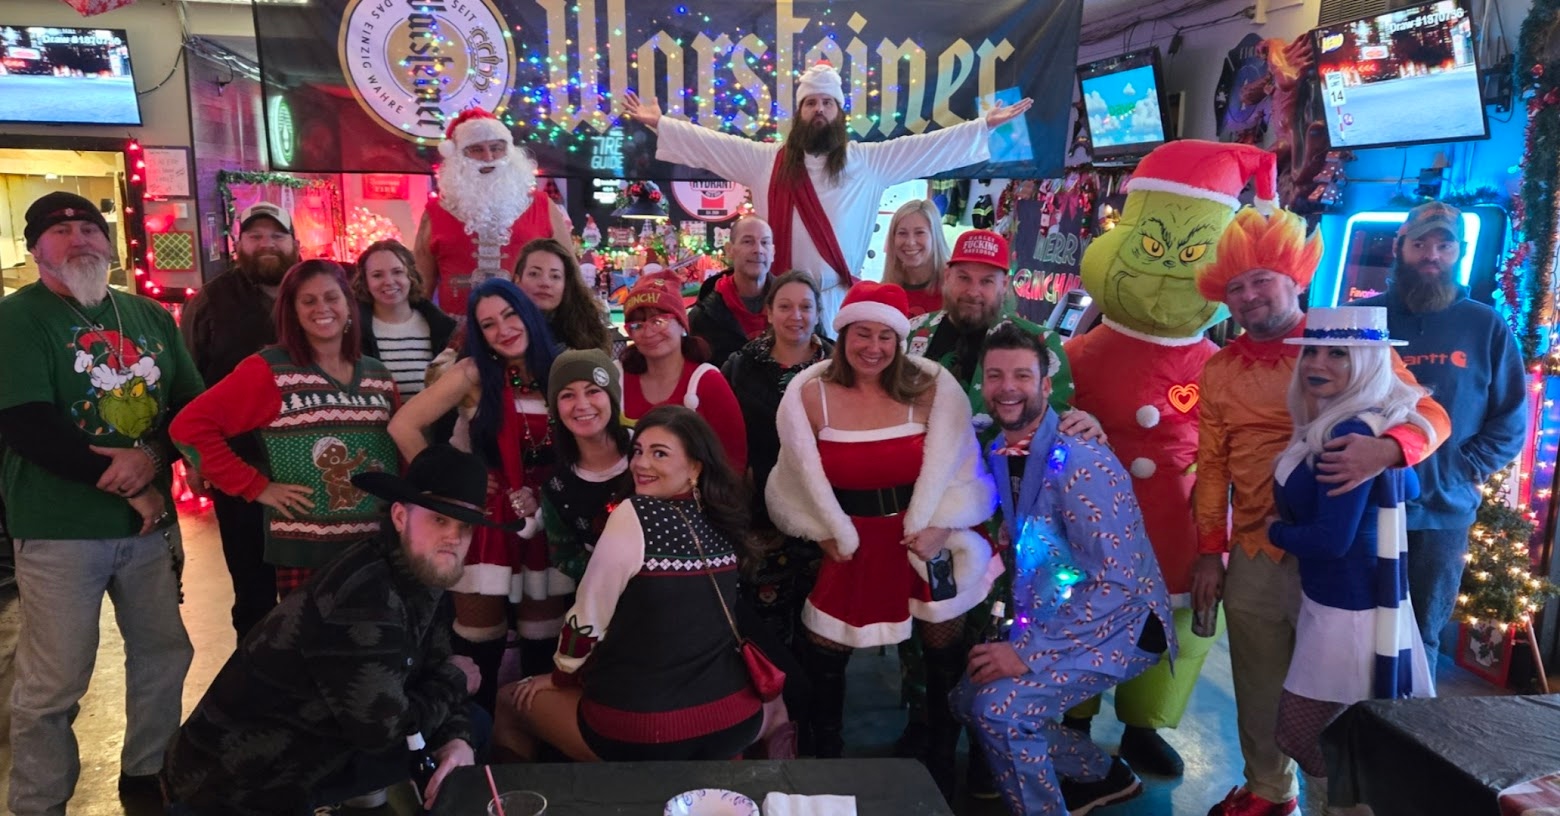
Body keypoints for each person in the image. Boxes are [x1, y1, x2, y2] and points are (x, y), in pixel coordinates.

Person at [1191, 208, 1449, 816]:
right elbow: (1212, 466)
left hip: (1341, 558)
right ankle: (1267, 789)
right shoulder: (1219, 369)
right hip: (1256, 549)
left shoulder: (1343, 343)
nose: (1249, 296)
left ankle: (1338, 803)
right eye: (1235, 286)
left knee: (1336, 694)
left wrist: (1389, 448)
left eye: (1261, 279)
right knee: (1258, 684)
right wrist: (1208, 550)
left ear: (1295, 278)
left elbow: (1429, 414)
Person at [0, 192, 203, 816]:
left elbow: (191, 410)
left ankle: (148, 776)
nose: (79, 238)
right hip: (59, 528)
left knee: (164, 655)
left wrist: (153, 457)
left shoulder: (149, 315)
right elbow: (28, 425)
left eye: (90, 227)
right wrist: (135, 480)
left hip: (148, 530)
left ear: (109, 243)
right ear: (35, 249)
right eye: (61, 230)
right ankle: (39, 802)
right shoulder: (17, 318)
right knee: (55, 679)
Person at [161, 444, 490, 816]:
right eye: (439, 520)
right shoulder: (363, 598)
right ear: (400, 517)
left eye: (465, 526)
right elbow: (387, 733)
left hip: (309, 752)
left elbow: (436, 671)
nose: (453, 538)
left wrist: (458, 740)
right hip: (230, 784)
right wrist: (456, 680)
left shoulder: (423, 575)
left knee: (472, 726)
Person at [764, 281, 997, 798]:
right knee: (825, 656)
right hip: (852, 545)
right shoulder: (809, 395)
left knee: (943, 658)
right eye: (862, 334)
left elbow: (963, 468)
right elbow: (792, 479)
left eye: (885, 336)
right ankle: (826, 764)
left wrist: (943, 527)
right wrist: (822, 531)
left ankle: (941, 760)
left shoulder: (932, 388)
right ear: (843, 334)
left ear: (900, 340)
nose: (873, 347)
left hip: (923, 544)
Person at [951, 321, 1172, 816]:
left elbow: (1116, 583)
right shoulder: (996, 446)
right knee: (966, 700)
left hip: (1124, 624)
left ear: (1046, 386)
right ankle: (1103, 774)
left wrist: (1026, 652)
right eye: (995, 375)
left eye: (1022, 376)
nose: (1007, 387)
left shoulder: (1082, 461)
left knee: (998, 710)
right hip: (1056, 612)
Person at [623, 62, 1032, 325]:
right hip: (782, 301)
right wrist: (662, 124)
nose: (819, 110)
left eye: (827, 103)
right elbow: (711, 144)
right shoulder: (764, 160)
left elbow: (927, 147)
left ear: (839, 113)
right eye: (811, 103)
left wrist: (983, 127)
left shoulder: (868, 161)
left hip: (838, 301)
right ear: (799, 113)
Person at [493, 405, 763, 762]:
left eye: (659, 453)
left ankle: (524, 794)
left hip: (647, 730)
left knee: (508, 701)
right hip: (734, 719)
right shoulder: (722, 519)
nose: (641, 463)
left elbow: (586, 620)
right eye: (638, 451)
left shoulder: (636, 513)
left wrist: (559, 677)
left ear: (695, 466)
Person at [1352, 200, 1528, 668]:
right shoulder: (1359, 319)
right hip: (1361, 505)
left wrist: (1458, 469)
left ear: (1459, 252)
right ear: (1399, 247)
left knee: (1420, 638)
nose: (1431, 254)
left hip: (1442, 514)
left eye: (1444, 245)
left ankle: (1408, 715)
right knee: (1350, 626)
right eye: (1420, 243)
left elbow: (1511, 420)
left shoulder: (1485, 325)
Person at [1267, 307, 1436, 785]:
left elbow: (1331, 540)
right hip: (1347, 602)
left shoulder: (1351, 431)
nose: (1318, 363)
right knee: (1346, 741)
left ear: (1367, 362)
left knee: (1312, 741)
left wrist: (1273, 531)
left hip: (1346, 613)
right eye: (1311, 352)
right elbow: (1409, 488)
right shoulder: (1357, 421)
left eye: (1339, 353)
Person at [170, 260, 400, 597]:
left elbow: (395, 452)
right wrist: (255, 486)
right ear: (291, 312)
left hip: (377, 547)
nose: (322, 308)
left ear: (349, 305)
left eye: (331, 298)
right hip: (306, 553)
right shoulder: (270, 371)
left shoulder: (378, 375)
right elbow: (189, 427)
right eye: (308, 301)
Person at [388, 278, 562, 710]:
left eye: (509, 315)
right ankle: (473, 736)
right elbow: (403, 425)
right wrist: (452, 479)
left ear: (527, 312)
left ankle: (532, 736)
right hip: (488, 523)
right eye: (488, 324)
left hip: (549, 517)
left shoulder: (560, 367)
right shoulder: (472, 373)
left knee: (542, 646)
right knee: (478, 646)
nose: (503, 329)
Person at [180, 200, 300, 637]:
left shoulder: (313, 290)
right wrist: (195, 462)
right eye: (255, 236)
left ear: (295, 243)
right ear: (238, 244)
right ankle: (254, 674)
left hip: (310, 463)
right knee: (252, 589)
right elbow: (188, 381)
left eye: (276, 235)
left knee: (315, 587)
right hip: (240, 467)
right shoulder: (211, 300)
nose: (266, 244)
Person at [723, 271, 833, 648]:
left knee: (822, 632)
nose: (795, 316)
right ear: (769, 312)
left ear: (818, 312)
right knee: (766, 632)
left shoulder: (839, 366)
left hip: (824, 513)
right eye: (785, 306)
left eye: (805, 307)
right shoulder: (739, 366)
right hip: (760, 516)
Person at [414, 108, 572, 316]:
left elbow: (570, 275)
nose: (488, 157)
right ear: (459, 156)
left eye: (496, 148)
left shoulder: (542, 205)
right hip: (457, 333)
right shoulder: (435, 212)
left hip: (531, 330)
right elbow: (420, 288)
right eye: (476, 149)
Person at [907, 229, 1074, 421]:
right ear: (947, 276)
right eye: (964, 278)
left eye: (986, 281)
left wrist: (1085, 422)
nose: (973, 292)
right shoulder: (911, 332)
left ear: (1004, 284)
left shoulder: (1040, 343)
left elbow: (1061, 422)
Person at [620, 273, 749, 472]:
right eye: (637, 325)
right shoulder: (618, 379)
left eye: (658, 321)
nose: (648, 332)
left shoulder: (708, 382)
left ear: (681, 324)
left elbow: (733, 461)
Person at [540, 349, 634, 585]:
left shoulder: (648, 452)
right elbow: (563, 555)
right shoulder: (556, 482)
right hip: (604, 595)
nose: (582, 405)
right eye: (567, 395)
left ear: (612, 397)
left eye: (593, 391)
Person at [352, 239, 458, 400]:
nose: (389, 281)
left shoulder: (442, 327)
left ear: (411, 275)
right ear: (365, 281)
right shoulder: (352, 331)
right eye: (377, 275)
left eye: (397, 272)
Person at [690, 215, 774, 366]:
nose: (758, 250)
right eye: (748, 241)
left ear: (773, 252)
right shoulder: (703, 316)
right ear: (729, 250)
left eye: (765, 242)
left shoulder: (793, 307)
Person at [514, 237, 614, 354]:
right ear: (517, 280)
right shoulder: (502, 329)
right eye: (534, 274)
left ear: (566, 284)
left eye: (555, 276)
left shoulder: (586, 335)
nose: (545, 283)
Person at [880, 199, 950, 317]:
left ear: (935, 237)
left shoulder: (955, 289)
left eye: (919, 232)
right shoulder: (883, 293)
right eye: (902, 233)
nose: (910, 242)